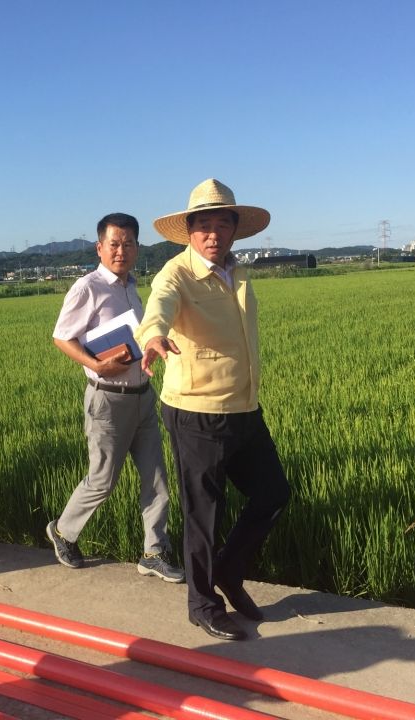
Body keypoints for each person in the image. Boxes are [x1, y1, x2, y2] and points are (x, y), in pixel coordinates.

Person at [136, 179, 291, 641]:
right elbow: (157, 310)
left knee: (273, 494)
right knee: (204, 512)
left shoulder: (237, 272)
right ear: (189, 232)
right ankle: (202, 603)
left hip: (244, 406)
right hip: (197, 410)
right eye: (203, 226)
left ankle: (227, 571)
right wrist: (152, 338)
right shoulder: (176, 274)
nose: (212, 234)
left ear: (233, 230)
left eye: (221, 224)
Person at [46, 213, 183, 583]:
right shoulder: (87, 287)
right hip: (107, 398)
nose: (121, 250)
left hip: (142, 396)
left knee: (157, 480)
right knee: (103, 479)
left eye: (128, 244)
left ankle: (154, 552)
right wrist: (95, 364)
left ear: (137, 248)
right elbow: (62, 337)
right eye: (114, 244)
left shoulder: (131, 287)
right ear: (100, 247)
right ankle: (62, 531)